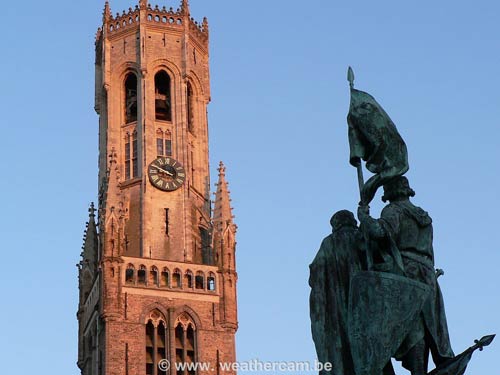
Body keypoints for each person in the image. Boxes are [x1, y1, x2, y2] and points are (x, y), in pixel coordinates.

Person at [357, 176, 454, 375]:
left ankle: (418, 370)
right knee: (432, 323)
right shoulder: (424, 217)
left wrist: (364, 218)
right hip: (427, 272)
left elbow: (379, 232)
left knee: (411, 323)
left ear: (388, 193)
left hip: (406, 272)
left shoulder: (393, 210)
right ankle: (437, 360)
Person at [309, 210, 365, 375]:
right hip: (362, 305)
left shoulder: (329, 243)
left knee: (341, 347)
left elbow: (315, 274)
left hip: (337, 308)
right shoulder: (361, 237)